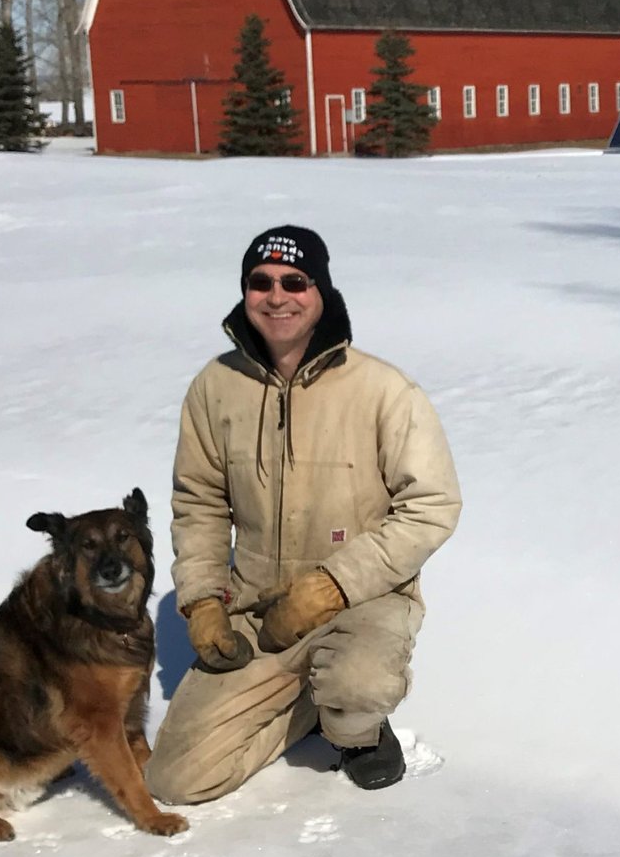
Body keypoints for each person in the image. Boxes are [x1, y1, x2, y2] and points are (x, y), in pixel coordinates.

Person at [146, 225, 461, 803]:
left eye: (295, 281)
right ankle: (309, 706)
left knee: (359, 683)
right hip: (258, 606)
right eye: (260, 282)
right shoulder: (216, 388)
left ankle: (354, 728)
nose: (277, 296)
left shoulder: (383, 390)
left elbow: (431, 506)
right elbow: (200, 503)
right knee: (175, 781)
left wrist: (332, 586)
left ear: (320, 292)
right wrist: (200, 601)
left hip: (367, 599)